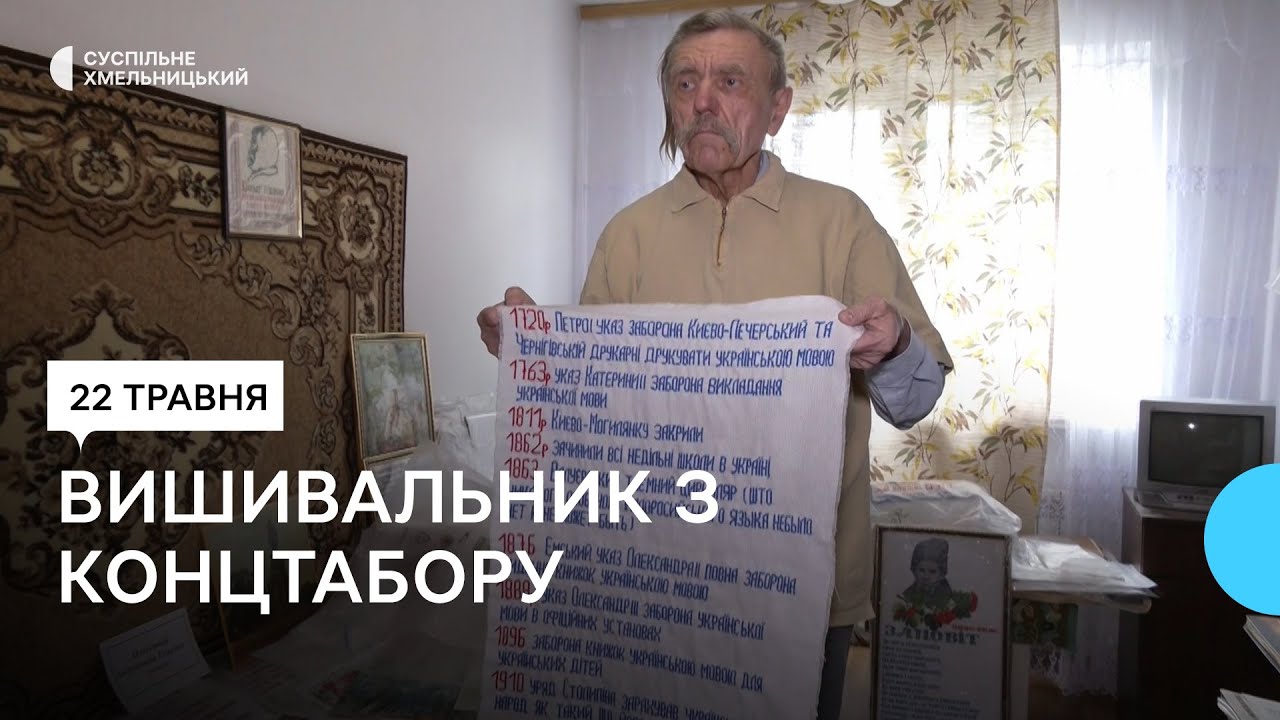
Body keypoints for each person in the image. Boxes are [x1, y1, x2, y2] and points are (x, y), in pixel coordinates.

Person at [476, 9, 953, 718]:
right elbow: (597, 413)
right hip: (654, 583)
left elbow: (915, 402)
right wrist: (534, 353)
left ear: (777, 109)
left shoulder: (841, 222)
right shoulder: (628, 234)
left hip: (803, 593)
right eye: (684, 82)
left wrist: (896, 348)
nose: (702, 101)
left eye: (730, 82)